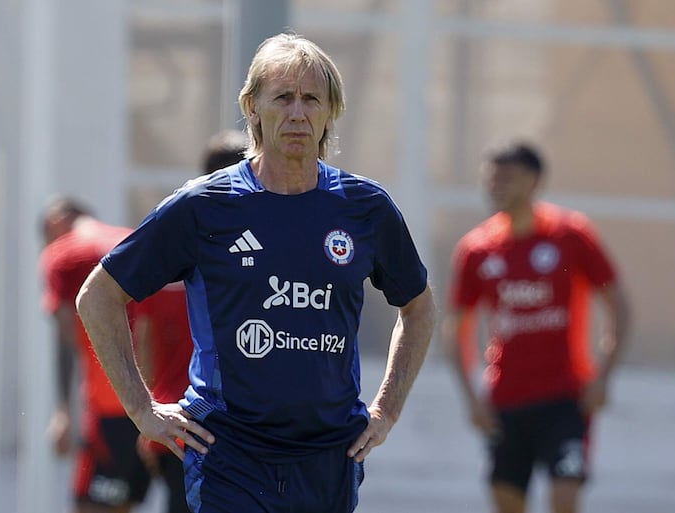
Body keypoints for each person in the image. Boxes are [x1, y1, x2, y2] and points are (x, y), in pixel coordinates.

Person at [75, 31, 436, 513]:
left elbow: (419, 306)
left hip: (329, 454)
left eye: (312, 99)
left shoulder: (364, 208)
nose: (297, 112)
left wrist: (387, 409)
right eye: (282, 97)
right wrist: (142, 410)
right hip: (229, 453)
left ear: (331, 112)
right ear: (252, 107)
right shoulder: (205, 206)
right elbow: (97, 296)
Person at [443, 142, 630, 513]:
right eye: (491, 177)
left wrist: (604, 375)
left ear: (534, 181)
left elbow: (619, 307)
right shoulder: (476, 249)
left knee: (564, 497)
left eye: (507, 177)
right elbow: (456, 329)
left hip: (566, 397)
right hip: (506, 399)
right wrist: (470, 398)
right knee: (507, 499)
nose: (496, 186)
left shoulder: (571, 235)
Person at [132, 130, 248, 513]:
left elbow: (144, 347)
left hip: (178, 426)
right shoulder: (252, 257)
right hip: (228, 429)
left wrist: (145, 414)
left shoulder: (171, 249)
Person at [39, 196, 151, 513]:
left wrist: (63, 410)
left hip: (115, 404)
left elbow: (64, 336)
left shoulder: (62, 253)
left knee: (92, 506)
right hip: (166, 397)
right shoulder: (130, 238)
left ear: (56, 221)